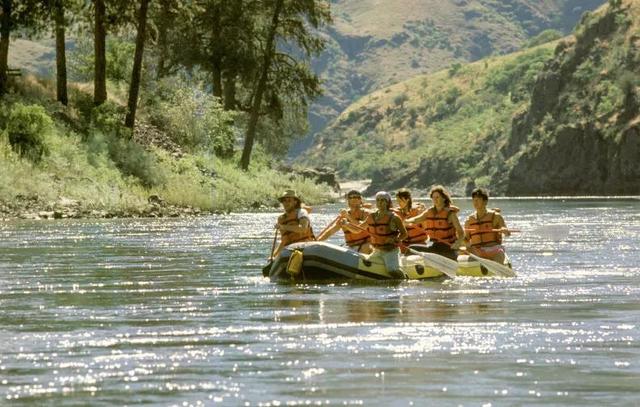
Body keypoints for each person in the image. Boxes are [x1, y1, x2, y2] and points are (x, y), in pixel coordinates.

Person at [405, 185, 464, 260]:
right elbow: (416, 219)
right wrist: (406, 222)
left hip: (447, 247)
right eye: (433, 197)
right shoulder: (429, 211)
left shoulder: (450, 214)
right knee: (411, 248)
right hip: (434, 246)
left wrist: (458, 243)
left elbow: (461, 232)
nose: (435, 200)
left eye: (437, 197)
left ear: (444, 198)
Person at [359, 191, 408, 279]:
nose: (380, 202)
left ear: (387, 202)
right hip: (377, 250)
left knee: (392, 270)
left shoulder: (395, 217)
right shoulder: (371, 216)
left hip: (391, 251)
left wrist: (396, 239)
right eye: (378, 200)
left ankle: (405, 280)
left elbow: (404, 234)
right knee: (366, 264)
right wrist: (346, 223)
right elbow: (357, 229)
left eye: (382, 200)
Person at [463, 187, 510, 264]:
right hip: (477, 251)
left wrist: (504, 230)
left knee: (500, 253)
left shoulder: (496, 216)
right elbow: (466, 240)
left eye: (478, 200)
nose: (475, 202)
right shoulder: (469, 220)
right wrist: (460, 237)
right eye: (474, 200)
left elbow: (507, 233)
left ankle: (498, 269)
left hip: (493, 249)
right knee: (468, 250)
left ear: (485, 202)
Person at [271, 189, 315, 259]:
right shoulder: (281, 219)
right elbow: (284, 241)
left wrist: (283, 227)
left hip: (306, 247)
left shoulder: (301, 212)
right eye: (284, 201)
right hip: (291, 250)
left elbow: (303, 229)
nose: (286, 203)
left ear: (295, 202)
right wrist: (274, 256)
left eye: (289, 200)